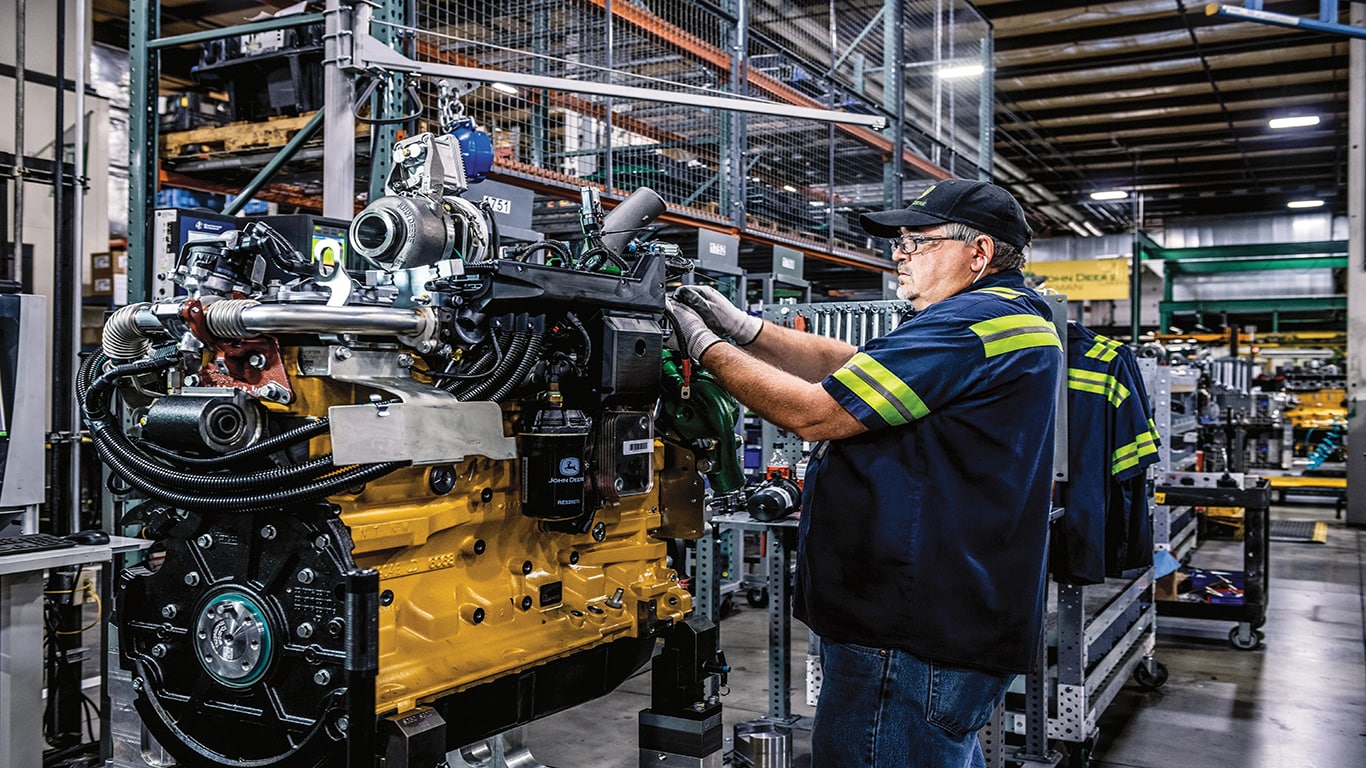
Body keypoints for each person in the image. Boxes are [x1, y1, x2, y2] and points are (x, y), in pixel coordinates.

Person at [667, 179, 1062, 767]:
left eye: (919, 241)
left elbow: (813, 413)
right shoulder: (1001, 316)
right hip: (955, 610)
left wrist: (702, 347)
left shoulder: (965, 326)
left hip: (906, 630)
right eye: (899, 241)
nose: (900, 254)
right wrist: (745, 329)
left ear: (978, 253)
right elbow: (852, 365)